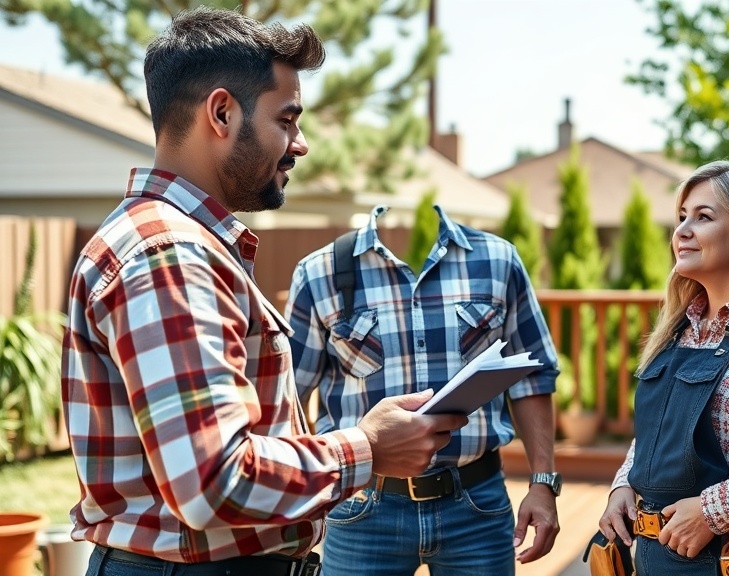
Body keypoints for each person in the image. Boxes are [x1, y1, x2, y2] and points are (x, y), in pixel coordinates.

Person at [61, 8, 467, 576]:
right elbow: (213, 481)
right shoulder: (169, 256)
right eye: (287, 120)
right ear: (222, 113)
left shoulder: (176, 244)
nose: (299, 144)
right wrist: (368, 447)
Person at [285, 203, 561, 575]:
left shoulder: (498, 260)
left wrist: (543, 483)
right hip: (360, 507)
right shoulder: (321, 272)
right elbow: (289, 401)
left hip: (476, 505)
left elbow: (533, 377)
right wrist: (300, 499)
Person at [597, 160, 729, 574]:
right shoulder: (680, 324)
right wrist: (623, 483)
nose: (681, 231)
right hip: (653, 556)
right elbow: (659, 431)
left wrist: (713, 512)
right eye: (681, 218)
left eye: (703, 217)